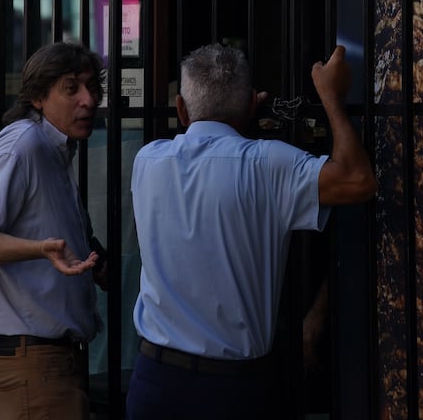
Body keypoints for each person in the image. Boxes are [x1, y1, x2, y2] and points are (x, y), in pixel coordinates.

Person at [126, 43, 377, 419]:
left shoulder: (147, 161)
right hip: (233, 390)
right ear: (250, 106)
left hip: (155, 380)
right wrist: (331, 97)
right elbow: (358, 180)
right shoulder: (268, 165)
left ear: (180, 109)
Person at [0, 41, 108, 420]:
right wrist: (40, 249)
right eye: (71, 89)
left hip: (50, 360)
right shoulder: (23, 144)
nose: (88, 100)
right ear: (38, 97)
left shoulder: (54, 150)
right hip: (31, 363)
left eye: (92, 88)